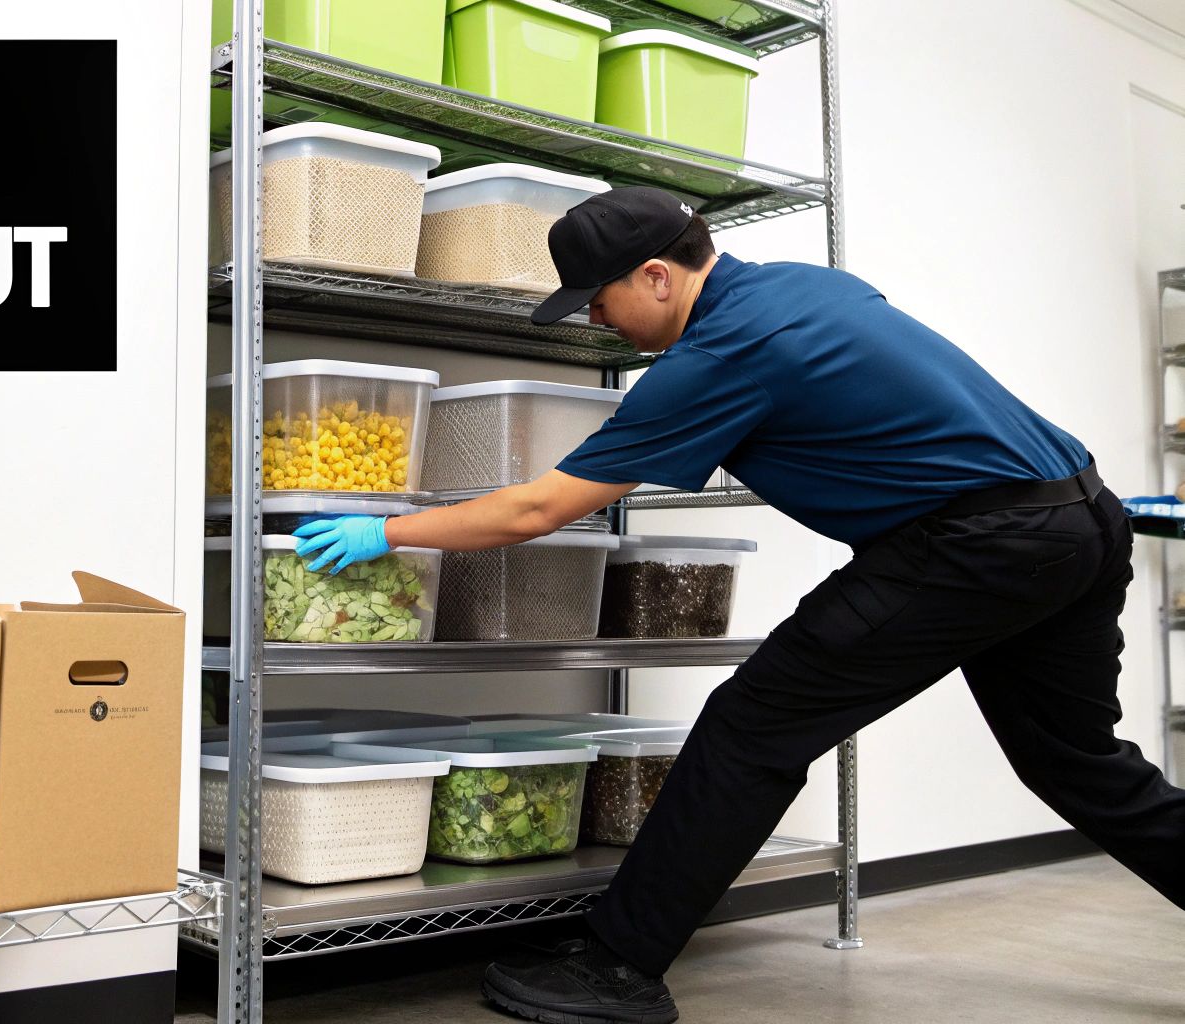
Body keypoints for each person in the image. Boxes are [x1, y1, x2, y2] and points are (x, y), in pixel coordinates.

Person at [291, 186, 1185, 1024]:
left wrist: (390, 534)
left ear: (657, 276)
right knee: (1078, 762)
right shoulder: (803, 286)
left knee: (752, 728)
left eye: (598, 301)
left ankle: (616, 968)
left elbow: (539, 508)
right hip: (1082, 519)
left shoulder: (719, 354)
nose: (596, 320)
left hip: (975, 543)